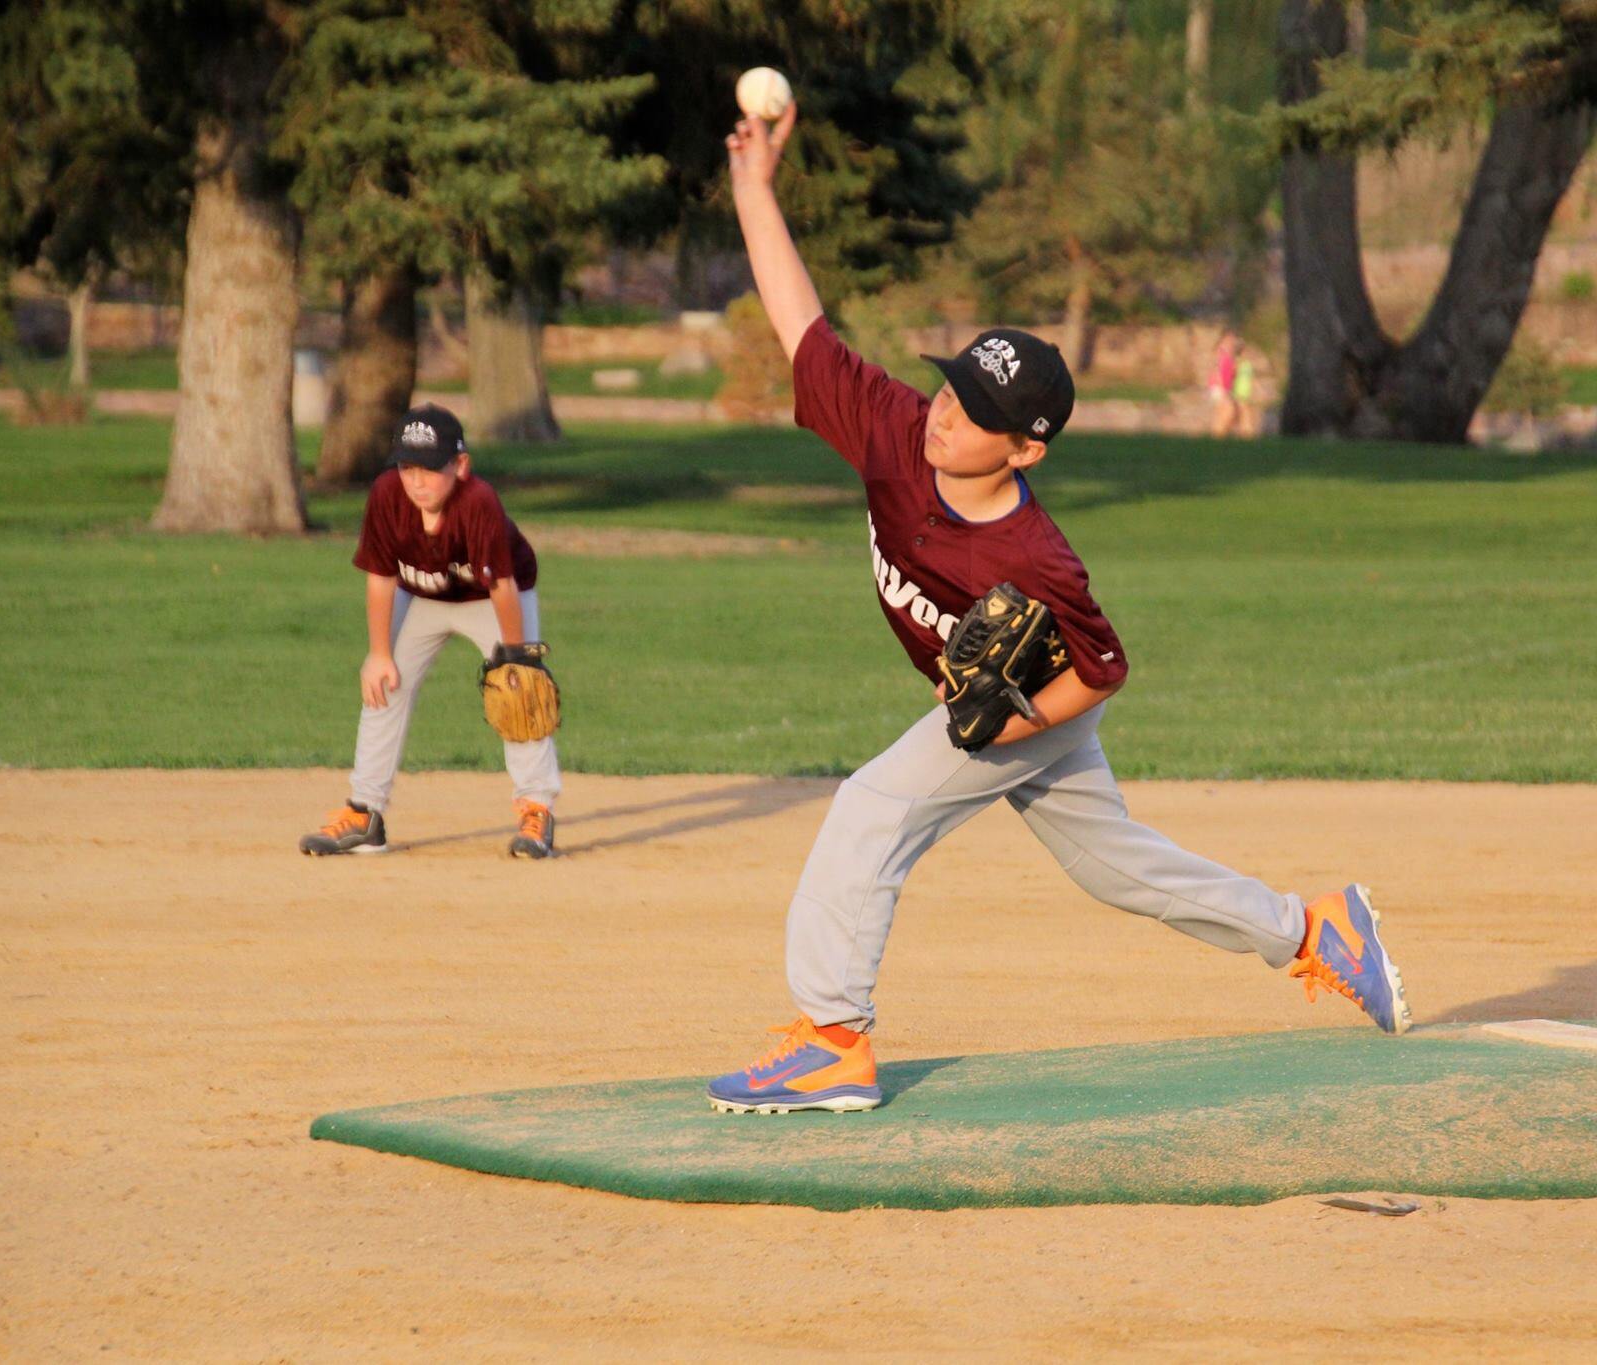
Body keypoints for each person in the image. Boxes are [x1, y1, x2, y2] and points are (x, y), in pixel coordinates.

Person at [704, 101, 1411, 1116]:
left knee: (868, 810)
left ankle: (831, 1041)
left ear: (1023, 448)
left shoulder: (1036, 559)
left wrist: (1018, 718)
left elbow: (1103, 668)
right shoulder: (896, 429)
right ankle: (1313, 932)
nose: (947, 414)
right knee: (1117, 871)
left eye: (977, 415)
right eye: (951, 390)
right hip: (1004, 707)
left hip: (1032, 705)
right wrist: (752, 191)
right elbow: (801, 328)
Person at [298, 403, 561, 860]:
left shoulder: (478, 501)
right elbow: (380, 576)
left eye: (430, 469)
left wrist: (516, 655)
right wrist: (378, 654)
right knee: (383, 687)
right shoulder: (386, 495)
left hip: (492, 599)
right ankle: (365, 814)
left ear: (460, 466)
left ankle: (535, 812)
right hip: (420, 597)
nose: (416, 481)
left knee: (521, 695)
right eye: (407, 467)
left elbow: (501, 583)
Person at [1208, 331, 1241, 438]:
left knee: (1223, 414)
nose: (1231, 342)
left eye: (1233, 340)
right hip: (1219, 387)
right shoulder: (1221, 352)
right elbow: (1218, 371)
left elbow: (1231, 374)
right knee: (1228, 411)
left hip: (1224, 388)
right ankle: (1218, 435)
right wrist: (1223, 389)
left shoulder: (1229, 355)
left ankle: (1219, 436)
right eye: (1228, 340)